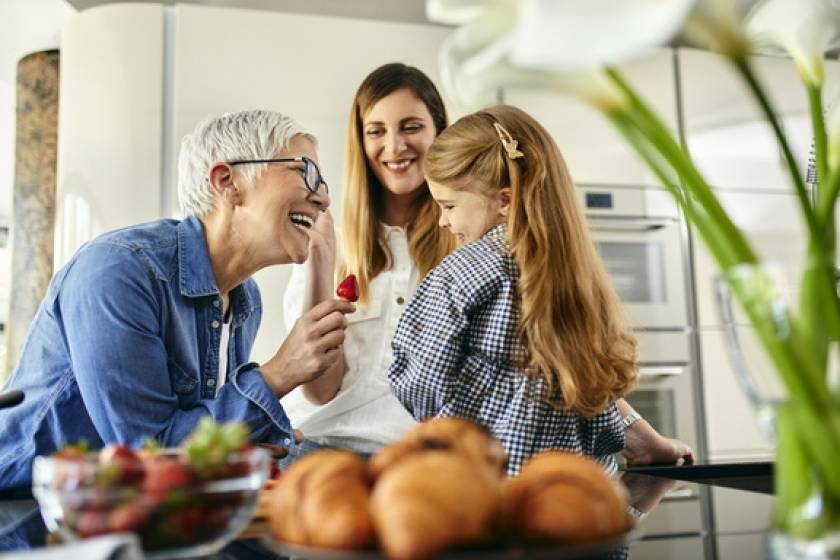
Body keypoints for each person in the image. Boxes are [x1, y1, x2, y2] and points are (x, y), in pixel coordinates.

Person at [0, 110, 355, 489]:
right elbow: (147, 455)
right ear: (228, 182)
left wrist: (238, 448)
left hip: (149, 513)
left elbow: (191, 438)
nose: (324, 198)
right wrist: (278, 374)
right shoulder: (119, 271)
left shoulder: (244, 298)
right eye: (305, 172)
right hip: (34, 521)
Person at [387, 105, 694, 475]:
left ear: (504, 200)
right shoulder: (572, 274)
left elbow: (418, 380)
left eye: (449, 205)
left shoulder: (461, 272)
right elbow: (593, 403)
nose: (444, 221)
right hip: (571, 495)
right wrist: (650, 445)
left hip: (487, 493)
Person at [279, 63, 456, 461]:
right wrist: (320, 266)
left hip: (421, 458)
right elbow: (318, 390)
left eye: (411, 127)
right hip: (321, 445)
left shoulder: (465, 245)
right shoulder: (330, 242)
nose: (394, 147)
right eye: (376, 131)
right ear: (361, 142)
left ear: (440, 133)